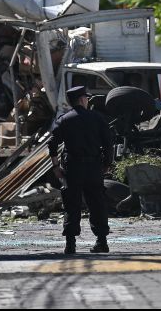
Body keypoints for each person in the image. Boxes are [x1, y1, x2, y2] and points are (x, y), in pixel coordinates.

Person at [49, 86, 113, 254]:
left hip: (73, 168)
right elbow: (108, 143)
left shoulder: (65, 120)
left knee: (72, 205)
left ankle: (70, 244)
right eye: (86, 98)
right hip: (94, 167)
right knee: (97, 204)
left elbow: (52, 144)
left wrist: (56, 166)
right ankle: (102, 241)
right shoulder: (97, 118)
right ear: (82, 99)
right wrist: (107, 163)